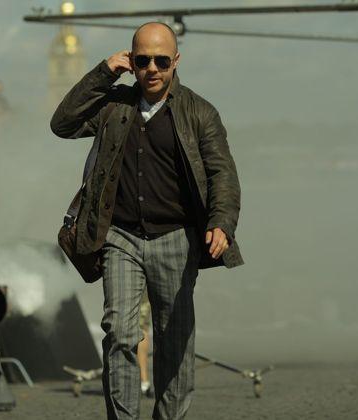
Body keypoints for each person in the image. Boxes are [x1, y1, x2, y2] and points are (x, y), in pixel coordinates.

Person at [51, 22, 243, 420]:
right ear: (131, 61)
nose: (152, 69)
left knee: (174, 340)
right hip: (119, 236)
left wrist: (221, 222)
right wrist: (104, 72)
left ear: (176, 61)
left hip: (177, 237)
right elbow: (63, 124)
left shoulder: (199, 112)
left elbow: (222, 173)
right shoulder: (113, 106)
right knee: (119, 332)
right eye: (142, 60)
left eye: (161, 61)